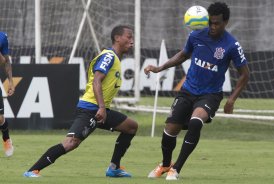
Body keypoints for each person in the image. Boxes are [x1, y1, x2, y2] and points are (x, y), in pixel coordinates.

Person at [144, 2, 249, 180]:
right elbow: (183, 55)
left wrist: (231, 100)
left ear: (226, 22)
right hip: (187, 90)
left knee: (195, 122)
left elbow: (245, 74)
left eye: (217, 23)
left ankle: (176, 169)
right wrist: (161, 67)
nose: (213, 27)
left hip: (210, 94)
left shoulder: (232, 45)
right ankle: (165, 164)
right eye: (211, 22)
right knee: (169, 130)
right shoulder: (196, 35)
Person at [24, 25, 138, 178]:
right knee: (71, 143)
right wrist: (102, 107)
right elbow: (97, 81)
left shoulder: (115, 59)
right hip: (90, 108)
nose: (132, 41)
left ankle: (114, 168)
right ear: (117, 38)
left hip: (100, 110)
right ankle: (32, 170)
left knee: (131, 127)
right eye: (129, 37)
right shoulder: (109, 56)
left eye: (132, 38)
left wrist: (103, 109)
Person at [0, 32, 15, 157]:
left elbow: (5, 60)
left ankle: (6, 138)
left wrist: (10, 82)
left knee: (0, 118)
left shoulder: (2, 37)